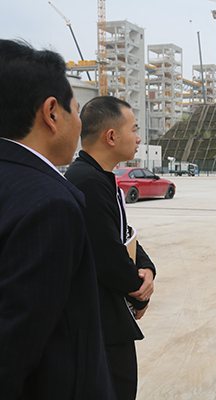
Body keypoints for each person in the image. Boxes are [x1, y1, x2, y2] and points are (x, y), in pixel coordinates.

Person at [0, 40, 116, 399]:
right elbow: (13, 350)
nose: (79, 123)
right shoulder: (49, 204)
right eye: (76, 110)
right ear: (51, 113)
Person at [64, 96, 156, 400]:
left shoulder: (98, 176)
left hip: (107, 319)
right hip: (99, 324)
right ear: (112, 136)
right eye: (134, 129)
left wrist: (147, 267)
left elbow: (122, 234)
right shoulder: (87, 181)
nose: (139, 138)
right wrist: (139, 293)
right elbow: (107, 258)